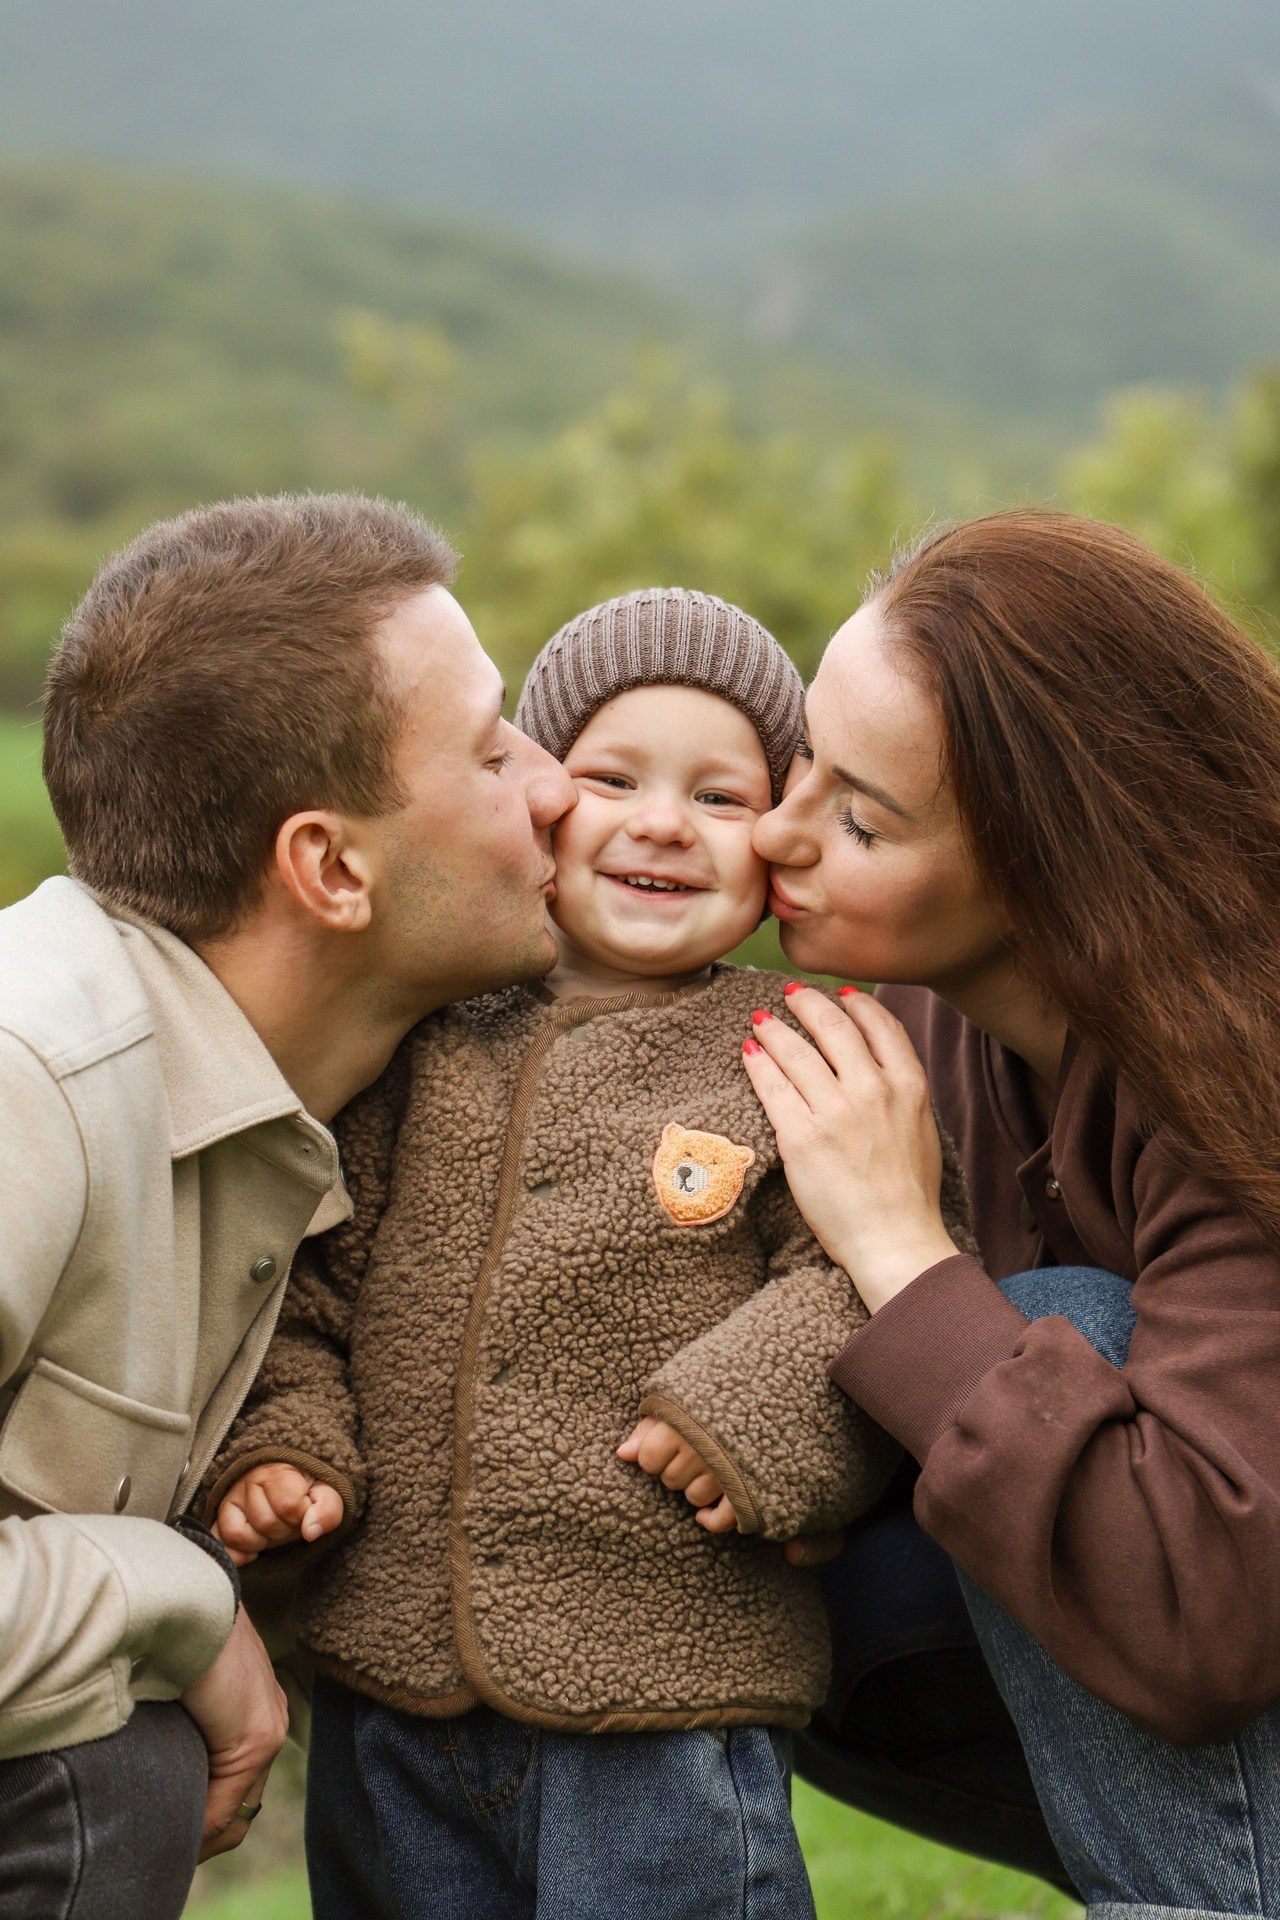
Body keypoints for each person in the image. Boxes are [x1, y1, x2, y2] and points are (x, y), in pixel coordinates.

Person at [206, 587, 977, 1920]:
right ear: (536, 802)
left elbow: (878, 1272)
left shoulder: (801, 1047)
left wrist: (751, 1411)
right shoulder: (425, 1038)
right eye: (613, 779)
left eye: (722, 797)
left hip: (666, 1689)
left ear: (777, 842)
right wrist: (287, 1450)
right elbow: (304, 1282)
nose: (663, 823)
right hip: (394, 1691)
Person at [0, 492, 574, 1920]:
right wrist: (177, 1605)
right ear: (329, 868)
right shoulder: (30, 1079)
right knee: (109, 1756)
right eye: (492, 751)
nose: (559, 784)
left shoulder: (362, 1107)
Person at [741, 509, 1280, 1917]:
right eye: (804, 761)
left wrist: (899, 1249)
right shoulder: (921, 1029)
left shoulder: (1245, 1068)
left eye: (860, 821)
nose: (779, 832)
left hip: (1223, 1607)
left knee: (1061, 1332)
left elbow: (1207, 1610)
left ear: (1051, 867)